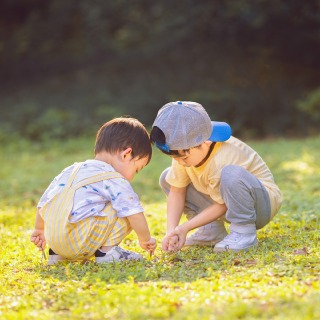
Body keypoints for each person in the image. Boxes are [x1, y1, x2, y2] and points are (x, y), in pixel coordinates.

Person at [150, 101, 282, 252]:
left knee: (231, 174)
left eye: (184, 158)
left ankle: (244, 232)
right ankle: (210, 231)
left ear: (204, 142)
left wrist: (184, 228)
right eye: (176, 158)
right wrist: (171, 232)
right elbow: (177, 191)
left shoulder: (222, 158)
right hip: (227, 203)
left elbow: (222, 205)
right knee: (167, 178)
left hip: (260, 206)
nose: (181, 162)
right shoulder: (185, 149)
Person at [30, 117, 157, 265]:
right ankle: (107, 253)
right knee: (127, 205)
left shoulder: (71, 170)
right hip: (80, 243)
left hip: (55, 242)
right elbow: (134, 212)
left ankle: (58, 256)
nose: (133, 176)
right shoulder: (113, 178)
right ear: (126, 154)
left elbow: (44, 202)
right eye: (137, 169)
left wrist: (39, 229)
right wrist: (145, 239)